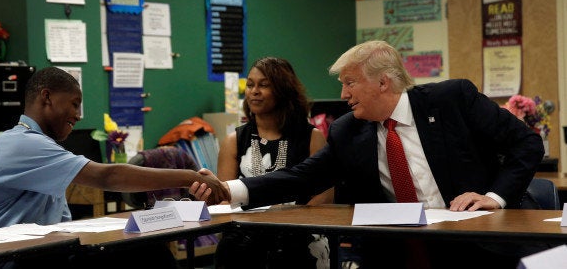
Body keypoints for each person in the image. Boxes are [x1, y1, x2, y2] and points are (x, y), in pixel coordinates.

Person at [193, 41, 544, 268]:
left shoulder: (452, 100)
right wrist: (230, 190)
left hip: (475, 244)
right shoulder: (349, 130)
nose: (343, 94)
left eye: (350, 82)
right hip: (397, 251)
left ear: (383, 83)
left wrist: (495, 197)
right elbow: (304, 176)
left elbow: (527, 144)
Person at [0, 66, 227, 267]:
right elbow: (109, 176)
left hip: (36, 253)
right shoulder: (21, 143)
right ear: (46, 97)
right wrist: (191, 177)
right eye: (74, 103)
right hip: (4, 260)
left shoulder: (37, 143)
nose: (79, 115)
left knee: (144, 248)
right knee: (146, 254)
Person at [214, 57, 330, 269]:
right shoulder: (234, 141)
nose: (254, 91)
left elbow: (325, 197)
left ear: (283, 90)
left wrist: (285, 219)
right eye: (250, 85)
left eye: (264, 85)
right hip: (244, 240)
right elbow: (224, 199)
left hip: (300, 239)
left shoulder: (312, 137)